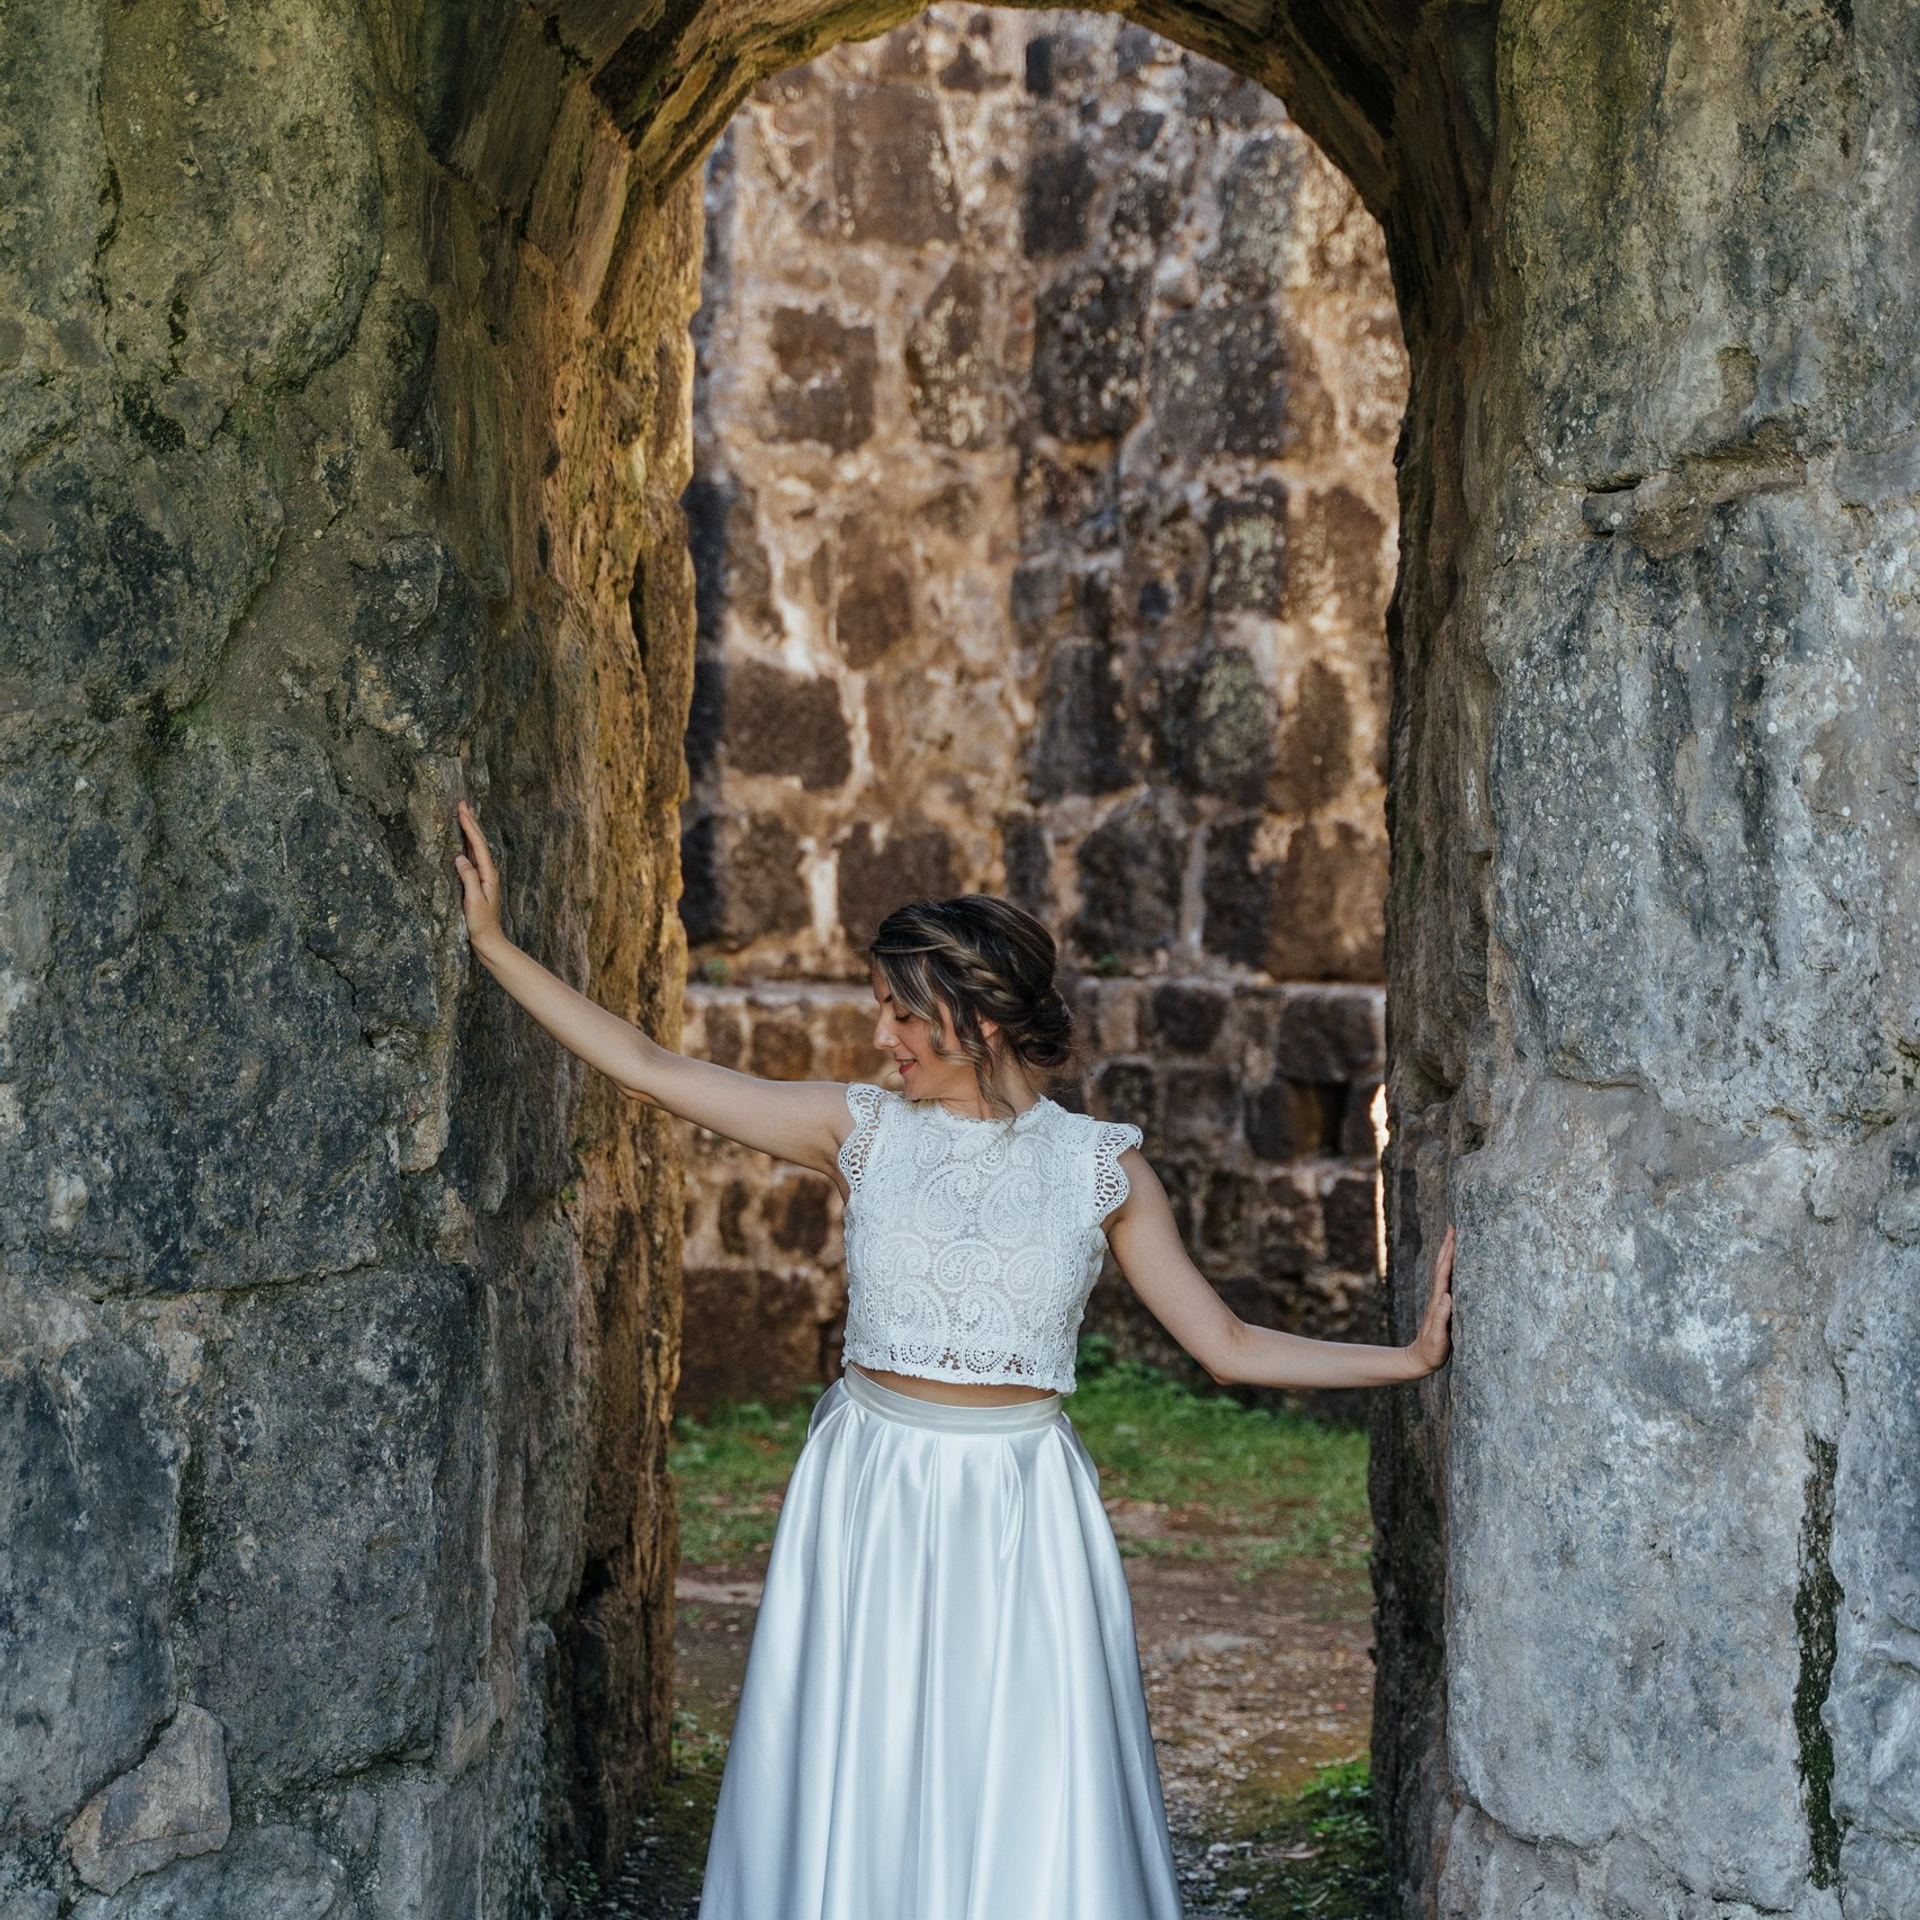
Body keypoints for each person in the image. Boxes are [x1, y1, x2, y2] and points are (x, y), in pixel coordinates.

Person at [452, 799, 1454, 1920]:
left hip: (1021, 1501)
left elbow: (1224, 1345)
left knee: (1018, 1771)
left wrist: (1405, 1359)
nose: (880, 1039)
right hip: (867, 1487)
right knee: (862, 1755)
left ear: (974, 1017)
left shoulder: (1100, 1170)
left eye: (899, 1015)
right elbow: (645, 1064)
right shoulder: (861, 1129)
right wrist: (495, 944)